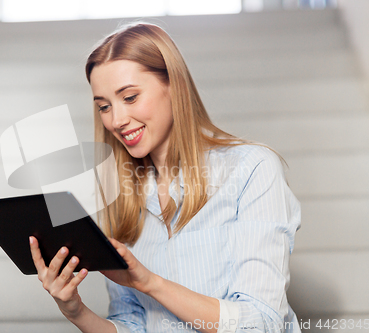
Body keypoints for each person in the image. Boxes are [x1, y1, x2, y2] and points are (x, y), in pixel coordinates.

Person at [29, 21, 301, 333]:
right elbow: (133, 324)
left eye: (130, 97)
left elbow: (261, 323)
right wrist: (75, 311)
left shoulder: (252, 169)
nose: (116, 120)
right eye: (104, 106)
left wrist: (151, 283)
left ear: (174, 85)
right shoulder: (122, 195)